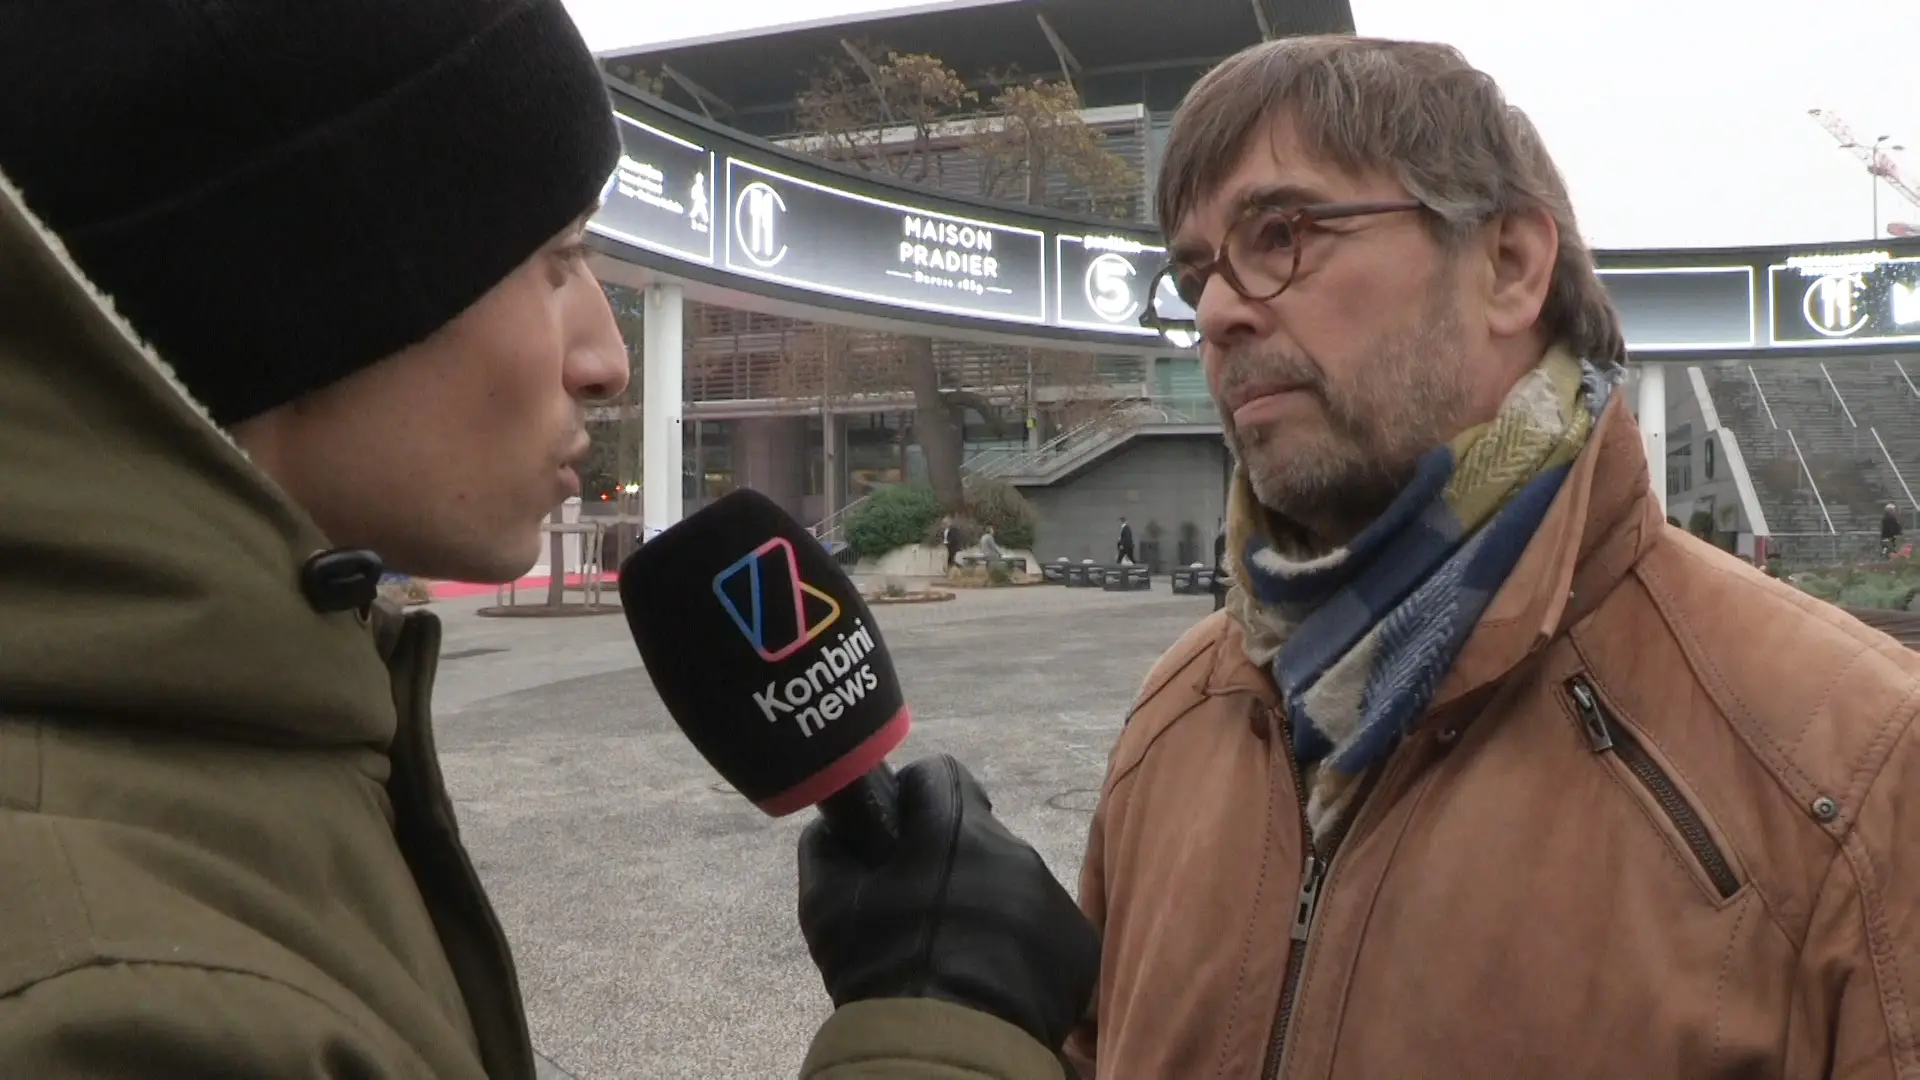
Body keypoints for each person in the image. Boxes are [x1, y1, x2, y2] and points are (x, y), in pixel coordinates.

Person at [0, 4, 1096, 1077]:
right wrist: (942, 1033)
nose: (607, 358)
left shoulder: (239, 744)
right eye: (560, 261)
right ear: (304, 282)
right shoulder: (107, 999)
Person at [1070, 35, 1920, 1079]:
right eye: (1194, 272)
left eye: (1280, 233)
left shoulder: (1854, 765)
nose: (1215, 312)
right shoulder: (1178, 716)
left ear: (1511, 267)